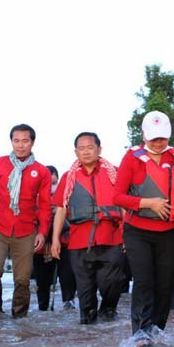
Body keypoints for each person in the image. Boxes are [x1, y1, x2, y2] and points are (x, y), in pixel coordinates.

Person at [114, 111, 174, 345]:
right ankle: (139, 332)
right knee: (143, 281)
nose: (158, 143)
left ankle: (157, 329)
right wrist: (148, 203)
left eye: (162, 138)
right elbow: (117, 196)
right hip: (138, 231)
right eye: (153, 138)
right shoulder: (132, 158)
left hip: (168, 231)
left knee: (165, 283)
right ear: (144, 135)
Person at [51, 132, 125, 324]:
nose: (86, 152)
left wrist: (128, 235)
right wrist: (55, 239)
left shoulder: (115, 173)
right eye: (81, 148)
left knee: (112, 284)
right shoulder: (68, 178)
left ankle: (108, 316)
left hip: (112, 238)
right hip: (79, 241)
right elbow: (60, 209)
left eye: (90, 147)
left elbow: (125, 205)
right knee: (85, 292)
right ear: (75, 152)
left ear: (99, 149)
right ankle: (88, 334)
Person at [0, 124, 52, 318]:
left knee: (22, 279)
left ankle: (19, 319)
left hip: (26, 230)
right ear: (11, 141)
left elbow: (45, 206)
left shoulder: (42, 171)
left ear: (33, 142)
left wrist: (42, 232)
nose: (20, 145)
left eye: (25, 141)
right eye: (16, 141)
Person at [32, 166, 77, 311]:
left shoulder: (68, 195)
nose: (52, 187)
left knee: (68, 274)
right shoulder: (33, 198)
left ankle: (69, 301)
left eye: (54, 183)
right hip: (41, 244)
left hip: (65, 242)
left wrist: (60, 211)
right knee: (43, 279)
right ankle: (42, 307)